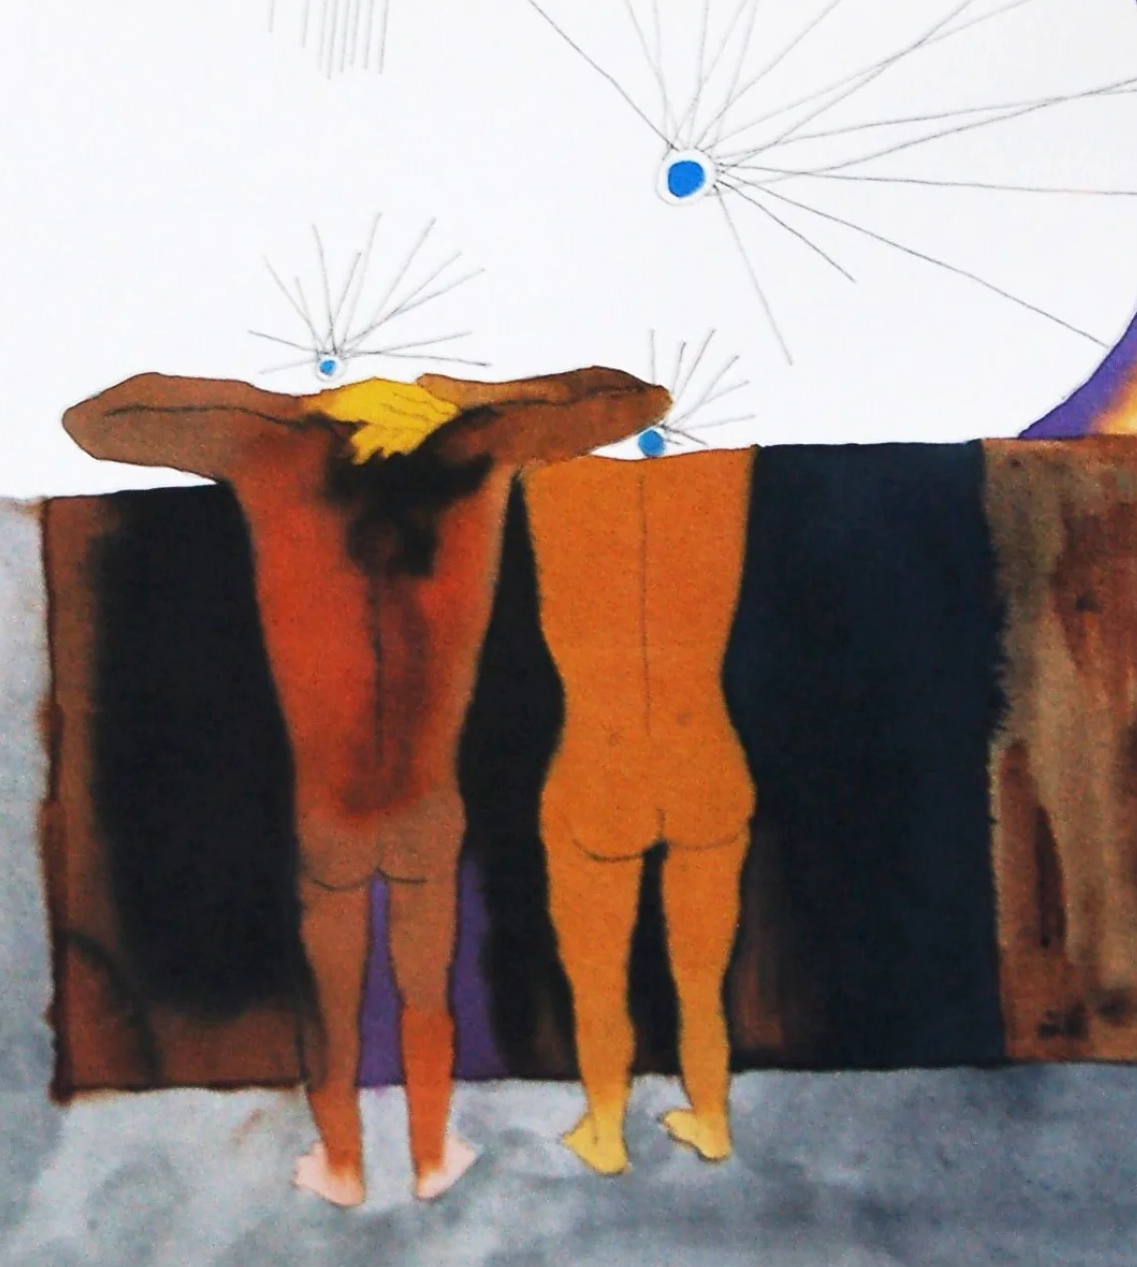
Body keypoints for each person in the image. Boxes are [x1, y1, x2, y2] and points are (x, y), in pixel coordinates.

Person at [62, 362, 667, 1208]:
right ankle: (429, 1156)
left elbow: (94, 420)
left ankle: (343, 1165)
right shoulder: (480, 450)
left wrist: (299, 405)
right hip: (429, 806)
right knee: (427, 996)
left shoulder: (275, 453)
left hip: (329, 814)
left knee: (333, 1004)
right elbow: (638, 400)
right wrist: (460, 396)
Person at [525, 444, 755, 1174]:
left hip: (603, 762)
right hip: (705, 754)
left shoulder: (558, 473)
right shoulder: (720, 468)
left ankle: (605, 1128)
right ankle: (710, 1118)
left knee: (597, 984)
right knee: (703, 983)